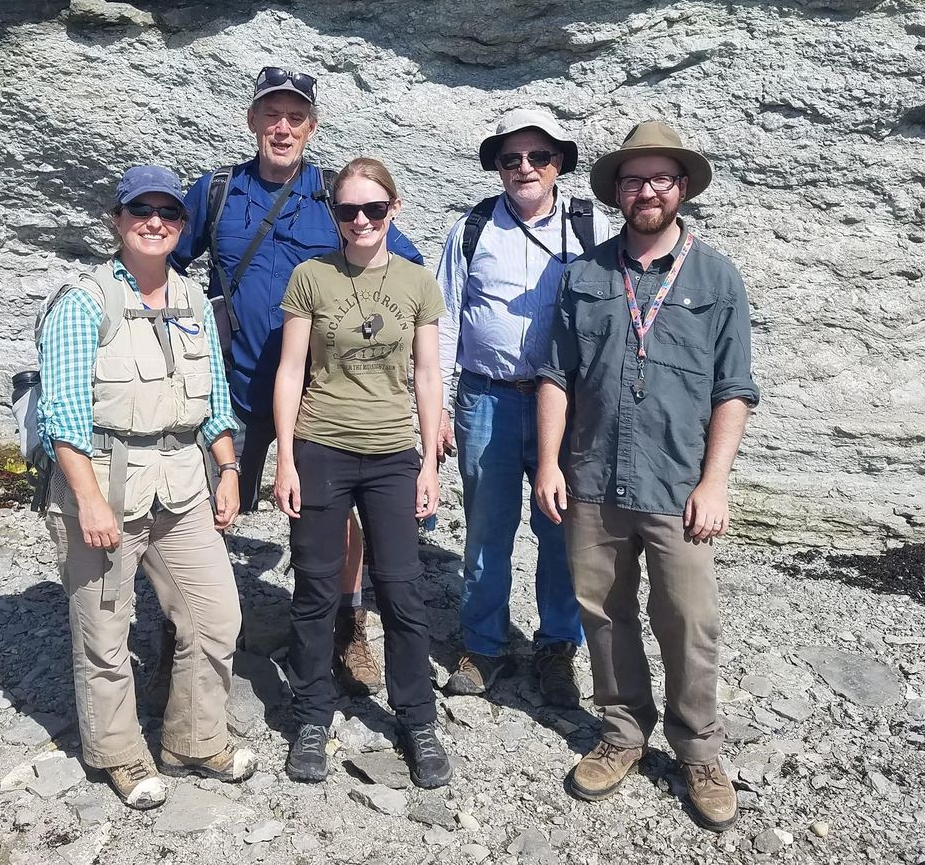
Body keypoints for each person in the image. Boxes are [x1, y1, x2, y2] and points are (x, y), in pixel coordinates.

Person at [535, 121, 760, 831]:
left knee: (690, 620)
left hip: (676, 484)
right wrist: (547, 462)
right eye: (634, 180)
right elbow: (556, 377)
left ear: (682, 188)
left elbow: (734, 388)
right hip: (595, 476)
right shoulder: (586, 276)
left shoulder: (716, 278)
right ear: (617, 193)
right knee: (602, 613)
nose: (647, 190)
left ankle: (697, 748)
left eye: (661, 178)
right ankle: (622, 732)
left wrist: (714, 482)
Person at [171, 67, 423, 696]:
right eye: (271, 114)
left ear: (313, 126)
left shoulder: (338, 198)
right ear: (252, 120)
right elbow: (165, 264)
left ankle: (344, 627)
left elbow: (404, 267)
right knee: (200, 511)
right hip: (228, 387)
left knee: (335, 523)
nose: (283, 127)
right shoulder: (217, 192)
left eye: (296, 116)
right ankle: (183, 639)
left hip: (315, 399)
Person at [37, 166, 256, 810]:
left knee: (216, 615)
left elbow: (215, 398)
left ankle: (194, 739)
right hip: (105, 483)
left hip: (183, 483)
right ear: (117, 221)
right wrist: (88, 500)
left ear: (182, 227)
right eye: (141, 211)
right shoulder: (83, 304)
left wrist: (230, 469)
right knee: (106, 632)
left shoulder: (193, 301)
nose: (155, 222)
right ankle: (120, 754)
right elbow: (64, 418)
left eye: (168, 213)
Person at [273, 157, 452, 789]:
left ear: (392, 210)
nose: (361, 220)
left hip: (393, 455)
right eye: (348, 210)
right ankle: (312, 714)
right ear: (334, 214)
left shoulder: (417, 283)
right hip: (321, 446)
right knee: (317, 590)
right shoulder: (309, 277)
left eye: (373, 209)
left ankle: (416, 717)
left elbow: (428, 376)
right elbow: (291, 370)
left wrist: (430, 462)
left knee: (401, 589)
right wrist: (285, 457)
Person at [435, 108, 612, 703]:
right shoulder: (472, 229)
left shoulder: (592, 226)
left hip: (565, 403)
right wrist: (434, 408)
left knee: (559, 525)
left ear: (558, 163)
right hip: (486, 396)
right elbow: (440, 320)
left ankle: (557, 646)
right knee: (488, 527)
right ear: (499, 167)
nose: (524, 168)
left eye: (538, 157)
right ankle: (482, 645)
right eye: (511, 159)